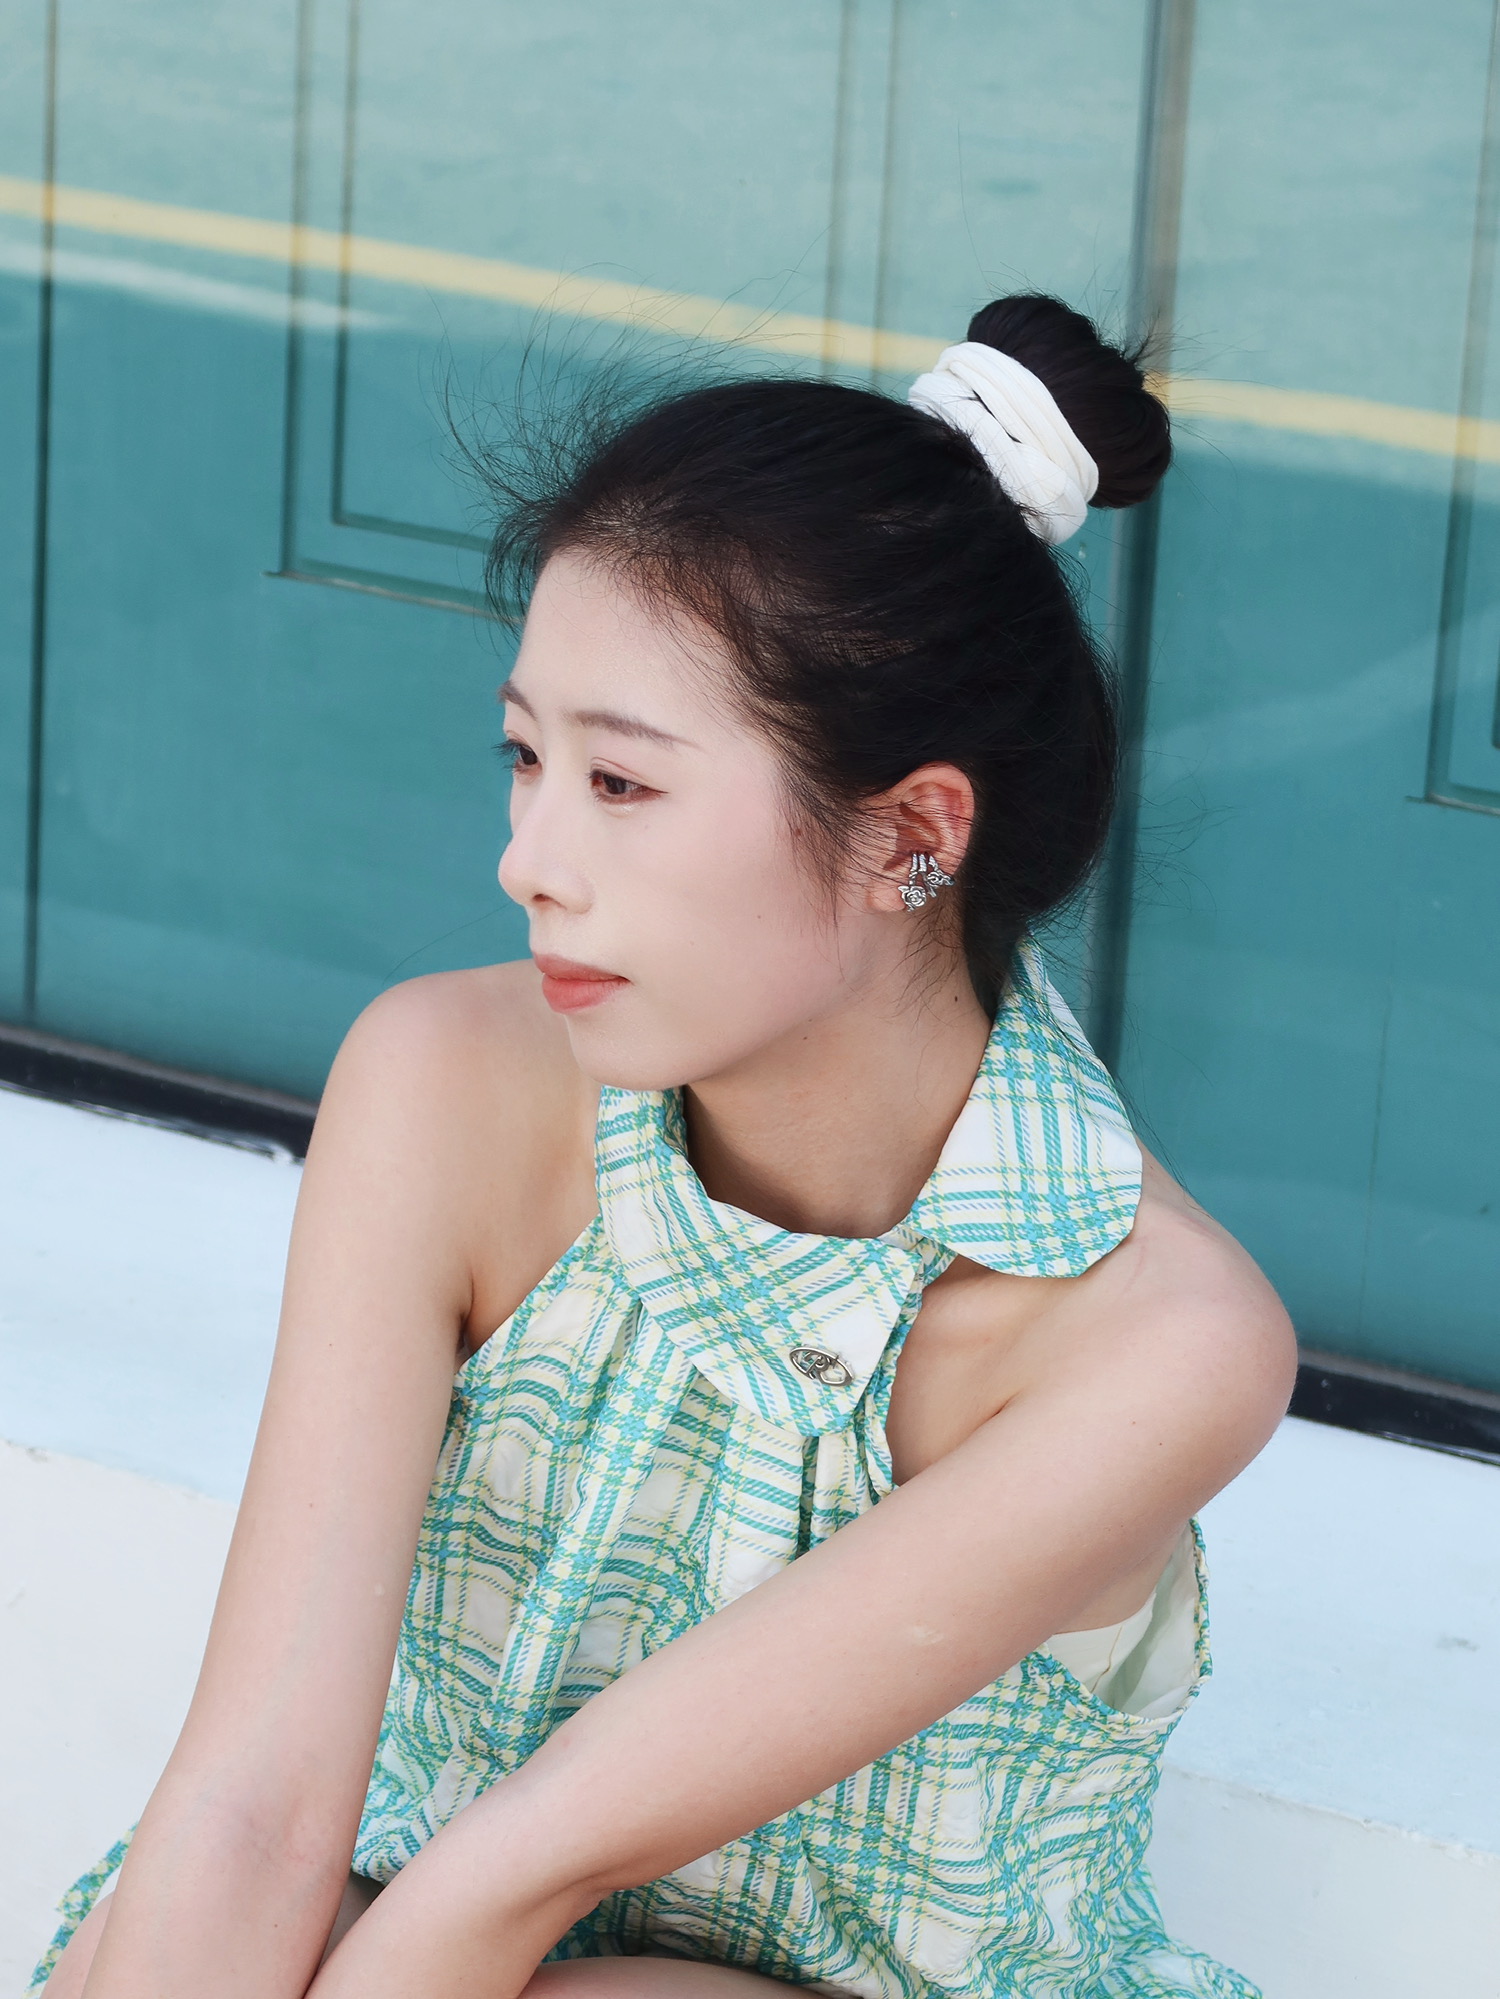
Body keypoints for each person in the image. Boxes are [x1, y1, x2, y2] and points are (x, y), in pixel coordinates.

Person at [36, 294, 1295, 1999]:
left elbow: (524, 1874)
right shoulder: (446, 1084)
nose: (527, 861)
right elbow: (256, 1801)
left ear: (910, 838)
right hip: (420, 1920)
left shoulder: (1152, 1340)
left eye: (621, 786)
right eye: (525, 756)